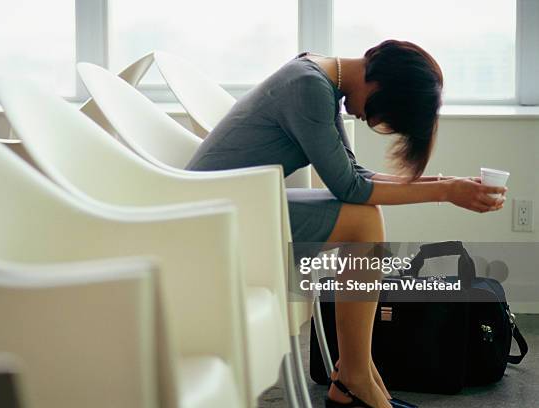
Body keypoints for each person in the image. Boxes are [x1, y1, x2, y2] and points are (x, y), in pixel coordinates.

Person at [186, 39, 506, 408]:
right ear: (380, 84)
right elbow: (350, 187)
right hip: (211, 217)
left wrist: (444, 183)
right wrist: (446, 192)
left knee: (364, 218)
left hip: (234, 203)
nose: (369, 121)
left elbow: (355, 173)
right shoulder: (308, 87)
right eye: (382, 114)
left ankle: (357, 376)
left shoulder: (318, 76)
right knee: (362, 222)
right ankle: (354, 380)